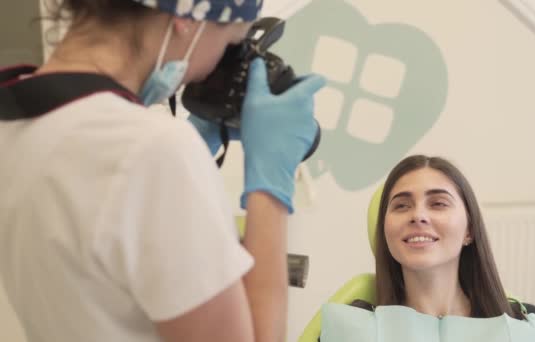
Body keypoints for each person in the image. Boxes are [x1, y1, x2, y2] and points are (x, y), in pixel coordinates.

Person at [0, 1, 325, 342]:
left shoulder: (14, 119)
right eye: (229, 44)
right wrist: (271, 187)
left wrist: (190, 158)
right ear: (187, 17)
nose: (209, 70)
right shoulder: (153, 150)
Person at [372, 155, 535, 319]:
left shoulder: (525, 325)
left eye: (438, 204)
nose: (418, 215)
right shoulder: (356, 326)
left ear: (469, 230)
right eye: (401, 206)